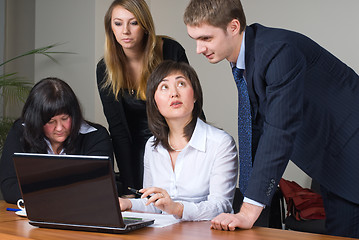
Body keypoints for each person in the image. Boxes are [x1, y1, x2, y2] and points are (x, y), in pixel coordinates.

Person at [184, 0, 359, 238]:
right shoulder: (245, 56)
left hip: (350, 152)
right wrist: (251, 204)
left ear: (233, 27)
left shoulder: (278, 52)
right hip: (331, 156)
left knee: (343, 233)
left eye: (206, 38)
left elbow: (279, 128)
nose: (198, 49)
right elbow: (256, 125)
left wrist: (248, 210)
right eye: (195, 39)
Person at [118, 60, 238, 221]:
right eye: (164, 87)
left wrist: (177, 208)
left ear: (195, 95)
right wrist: (127, 204)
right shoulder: (152, 146)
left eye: (181, 84)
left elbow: (221, 206)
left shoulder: (220, 143)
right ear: (154, 102)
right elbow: (153, 204)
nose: (174, 93)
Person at [96, 0, 189, 196]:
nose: (126, 31)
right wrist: (130, 188)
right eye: (118, 23)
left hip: (178, 142)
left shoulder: (170, 51)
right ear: (110, 27)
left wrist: (191, 152)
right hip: (137, 150)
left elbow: (189, 105)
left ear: (145, 25)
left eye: (134, 22)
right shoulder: (105, 69)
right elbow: (118, 129)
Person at [0, 77, 113, 204]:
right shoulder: (21, 132)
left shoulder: (95, 136)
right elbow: (9, 187)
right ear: (36, 121)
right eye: (50, 122)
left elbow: (98, 188)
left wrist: (39, 189)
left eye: (65, 118)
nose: (59, 128)